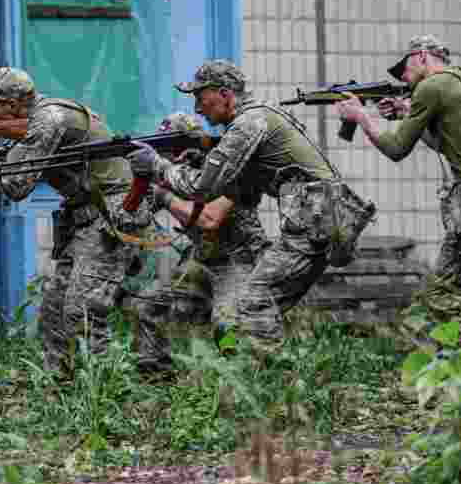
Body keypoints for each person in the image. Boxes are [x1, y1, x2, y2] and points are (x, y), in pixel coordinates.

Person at [126, 59, 362, 361]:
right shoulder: (254, 120)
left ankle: (269, 384)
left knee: (251, 304)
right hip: (316, 216)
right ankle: (264, 381)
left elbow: (202, 189)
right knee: (254, 303)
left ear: (225, 93)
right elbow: (241, 189)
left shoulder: (249, 122)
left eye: (201, 97)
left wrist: (157, 167)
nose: (198, 108)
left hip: (314, 217)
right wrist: (201, 158)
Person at [0, 66, 155, 376]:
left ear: (13, 105)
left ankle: (109, 391)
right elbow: (0, 184)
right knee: (54, 313)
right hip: (85, 222)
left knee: (82, 312)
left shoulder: (49, 119)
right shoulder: (35, 126)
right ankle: (61, 388)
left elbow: (17, 186)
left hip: (110, 218)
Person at [335, 34, 461, 317]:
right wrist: (407, 113)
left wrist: (361, 117)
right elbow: (444, 143)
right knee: (448, 293)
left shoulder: (430, 87)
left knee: (439, 295)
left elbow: (397, 149)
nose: (405, 75)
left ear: (423, 56)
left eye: (407, 66)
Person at [128, 113, 271, 374]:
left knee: (227, 327)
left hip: (241, 261)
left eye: (172, 149)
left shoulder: (228, 172)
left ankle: (248, 379)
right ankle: (156, 376)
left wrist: (164, 195)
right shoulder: (176, 177)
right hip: (202, 261)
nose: (170, 157)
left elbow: (209, 219)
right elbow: (132, 218)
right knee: (149, 307)